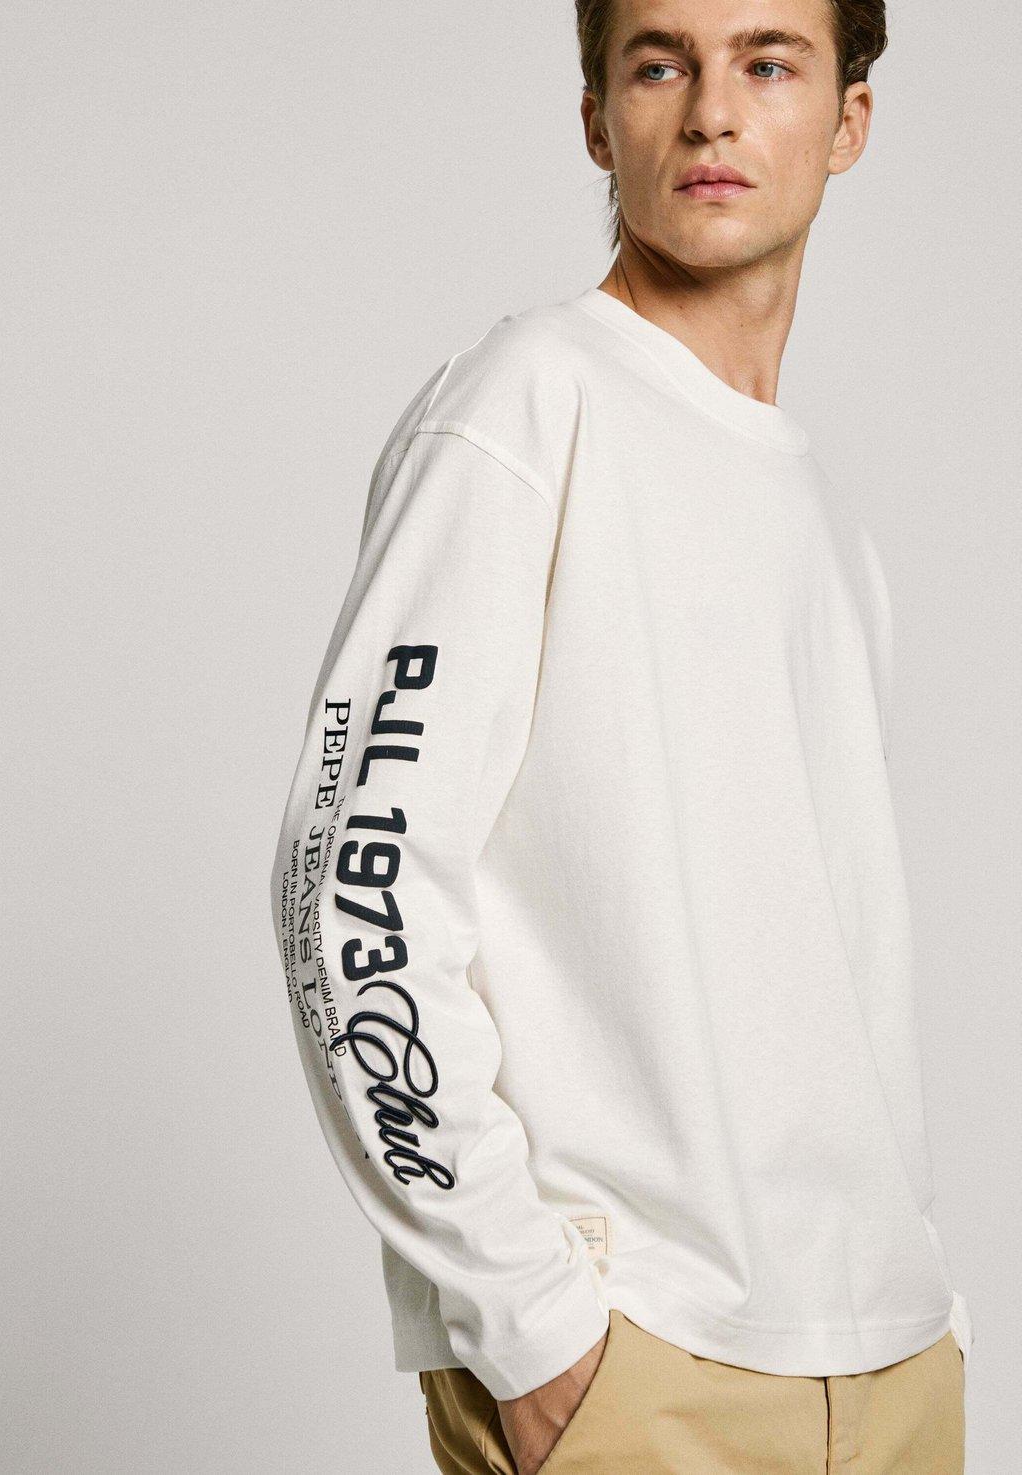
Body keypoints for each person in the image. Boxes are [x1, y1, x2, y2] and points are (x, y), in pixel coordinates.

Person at [269, 0, 975, 1469]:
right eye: (661, 63)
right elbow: (353, 886)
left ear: (849, 120)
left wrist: (919, 1296)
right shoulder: (527, 408)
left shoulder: (826, 517)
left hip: (891, 1364)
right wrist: (528, 1326)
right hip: (640, 1369)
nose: (712, 110)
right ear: (598, 118)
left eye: (768, 62)